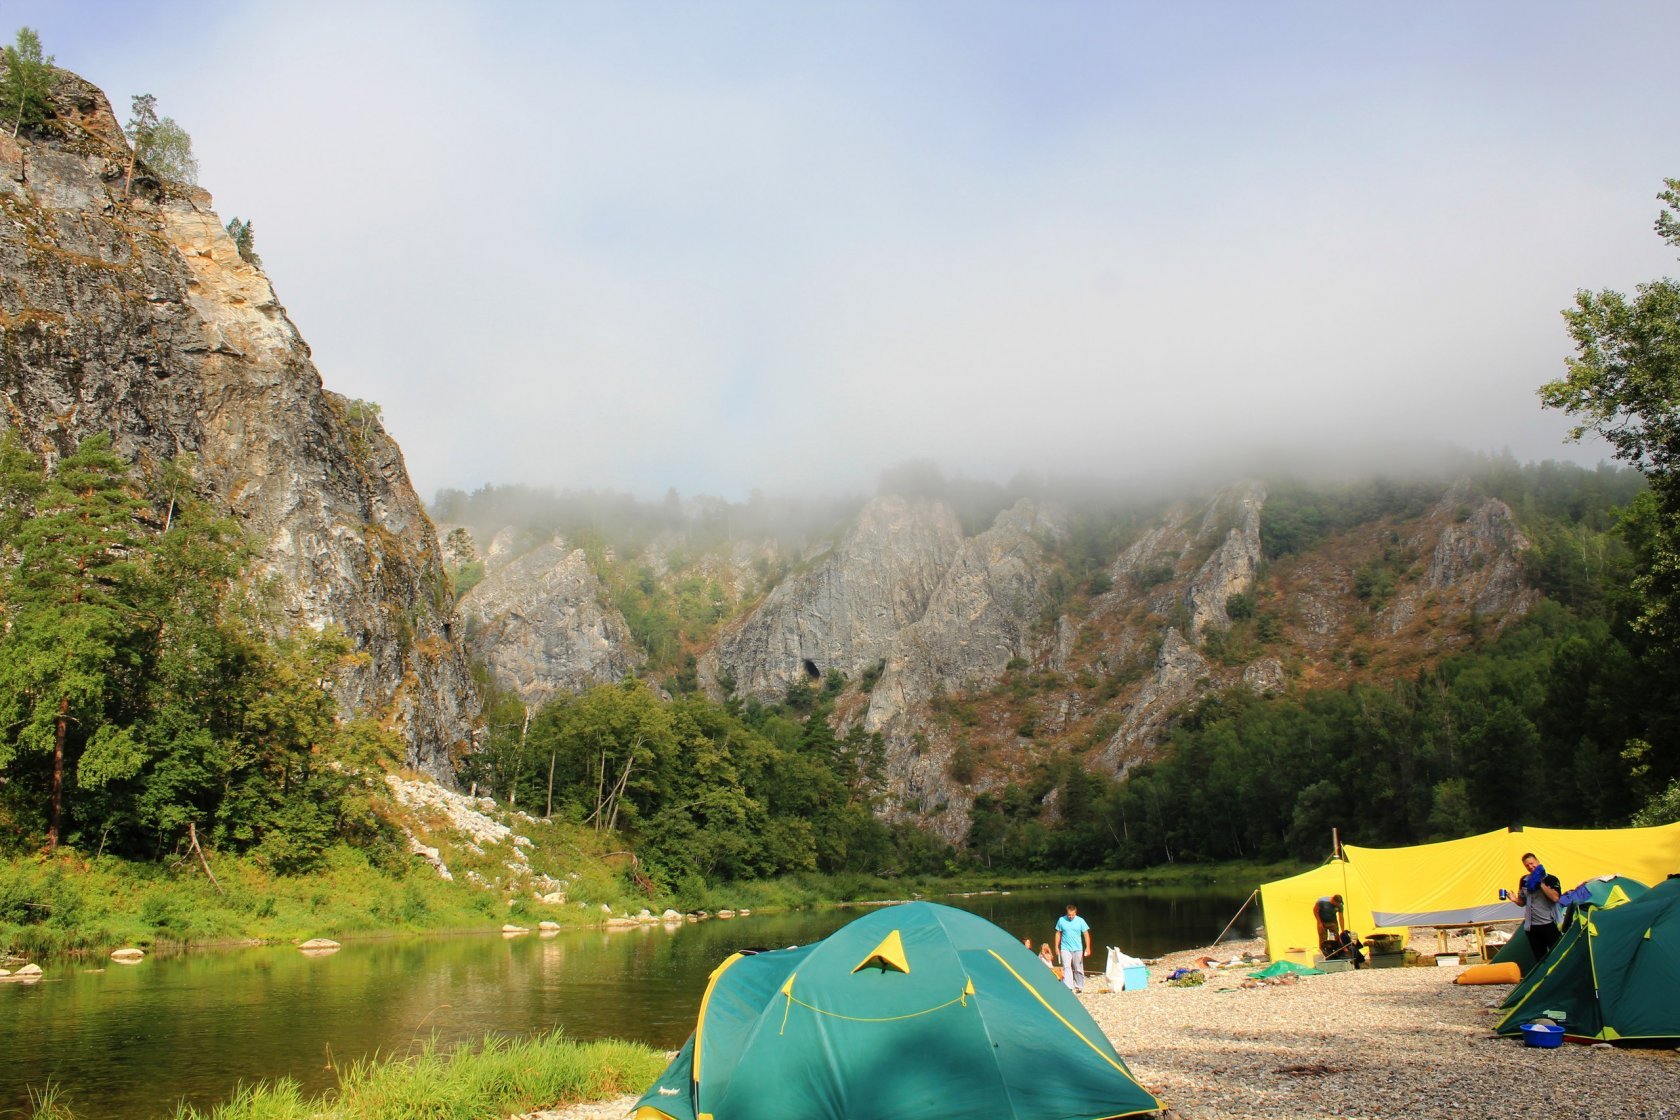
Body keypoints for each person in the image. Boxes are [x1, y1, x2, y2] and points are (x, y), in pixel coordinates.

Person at [1515, 851, 1562, 960]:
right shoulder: (1524, 880)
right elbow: (1522, 902)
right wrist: (1514, 899)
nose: (1530, 867)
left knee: (1557, 954)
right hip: (1531, 926)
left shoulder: (1551, 879)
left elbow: (1555, 898)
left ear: (1538, 861)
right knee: (1540, 958)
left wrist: (1540, 883)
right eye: (1527, 865)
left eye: (1532, 863)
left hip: (1549, 923)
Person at [1313, 893, 1365, 967]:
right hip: (1322, 922)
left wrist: (1342, 930)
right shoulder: (1322, 902)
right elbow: (1315, 911)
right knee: (1322, 939)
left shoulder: (1340, 905)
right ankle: (1323, 955)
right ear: (1333, 900)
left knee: (1336, 938)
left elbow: (1341, 917)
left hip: (1333, 922)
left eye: (1339, 904)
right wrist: (1319, 922)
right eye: (1336, 904)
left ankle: (1337, 954)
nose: (1337, 905)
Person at [1054, 903, 1091, 993]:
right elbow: (1058, 933)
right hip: (1065, 948)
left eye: (1072, 915)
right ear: (1067, 913)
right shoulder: (1061, 920)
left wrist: (1088, 947)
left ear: (1075, 912)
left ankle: (1079, 986)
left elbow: (1086, 934)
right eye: (1069, 915)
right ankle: (1069, 987)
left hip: (1077, 948)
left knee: (1077, 967)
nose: (1070, 917)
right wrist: (1056, 947)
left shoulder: (1080, 921)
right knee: (1067, 967)